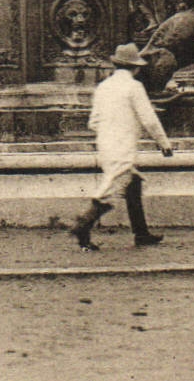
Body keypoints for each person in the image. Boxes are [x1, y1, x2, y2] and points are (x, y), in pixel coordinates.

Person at [71, 43, 174, 251]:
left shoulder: (103, 87)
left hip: (105, 143)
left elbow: (93, 122)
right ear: (135, 68)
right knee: (112, 189)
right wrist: (163, 143)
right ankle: (83, 225)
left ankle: (141, 232)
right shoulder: (134, 87)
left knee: (132, 184)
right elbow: (149, 119)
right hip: (124, 145)